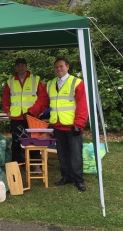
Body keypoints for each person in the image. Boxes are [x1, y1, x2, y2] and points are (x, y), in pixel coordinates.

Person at [45, 58, 88, 191]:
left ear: (67, 67)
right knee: (62, 153)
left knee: (75, 153)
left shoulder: (77, 83)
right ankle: (66, 176)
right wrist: (32, 112)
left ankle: (78, 179)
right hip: (57, 125)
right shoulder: (50, 84)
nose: (59, 69)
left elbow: (82, 105)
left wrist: (79, 124)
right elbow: (43, 102)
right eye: (56, 67)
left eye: (61, 66)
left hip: (72, 125)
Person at [2, 58, 48, 165]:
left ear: (26, 67)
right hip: (16, 116)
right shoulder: (10, 81)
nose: (20, 68)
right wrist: (7, 110)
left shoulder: (35, 79)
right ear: (16, 67)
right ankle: (17, 163)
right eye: (18, 66)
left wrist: (39, 111)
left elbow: (43, 97)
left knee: (34, 140)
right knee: (16, 140)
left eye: (22, 65)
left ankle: (35, 163)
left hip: (32, 116)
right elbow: (5, 97)